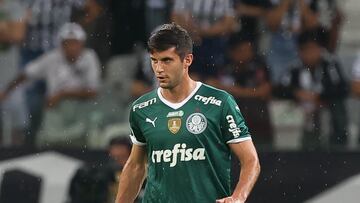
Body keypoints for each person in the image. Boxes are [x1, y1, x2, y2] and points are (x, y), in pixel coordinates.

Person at [116, 23, 260, 203]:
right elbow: (136, 166)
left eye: (167, 60)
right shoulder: (141, 108)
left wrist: (239, 197)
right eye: (154, 60)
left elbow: (250, 160)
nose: (159, 69)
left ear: (187, 60)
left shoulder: (219, 103)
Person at [0, 23, 100, 146]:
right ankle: (31, 148)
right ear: (62, 44)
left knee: (91, 134)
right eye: (68, 43)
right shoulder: (52, 57)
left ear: (82, 44)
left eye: (76, 43)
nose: (72, 47)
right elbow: (27, 73)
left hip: (82, 107)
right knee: (43, 134)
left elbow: (93, 92)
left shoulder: (89, 57)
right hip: (55, 108)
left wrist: (62, 94)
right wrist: (7, 91)